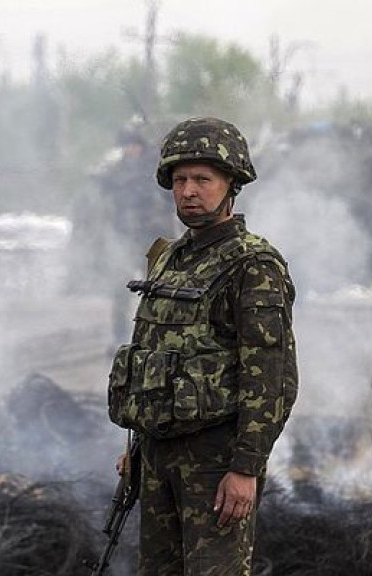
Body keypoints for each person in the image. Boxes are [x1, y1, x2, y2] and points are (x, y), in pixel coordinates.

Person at [107, 116, 298, 575]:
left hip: (216, 461)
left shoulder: (253, 264)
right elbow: (153, 355)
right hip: (158, 455)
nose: (189, 191)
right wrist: (138, 445)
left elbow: (270, 376)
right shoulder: (167, 257)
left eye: (202, 179)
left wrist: (246, 467)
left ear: (230, 184)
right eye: (179, 180)